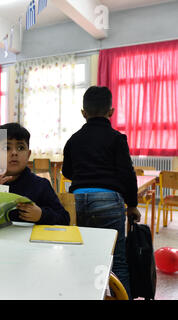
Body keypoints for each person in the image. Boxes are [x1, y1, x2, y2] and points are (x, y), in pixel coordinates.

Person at [62, 86, 141, 299]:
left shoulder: (73, 139)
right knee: (117, 259)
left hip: (77, 201)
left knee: (85, 256)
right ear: (111, 111)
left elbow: (66, 171)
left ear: (83, 113)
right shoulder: (117, 138)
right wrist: (132, 204)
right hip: (108, 200)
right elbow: (127, 174)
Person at [0, 123, 70, 225]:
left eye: (20, 147)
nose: (14, 152)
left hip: (27, 246)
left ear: (28, 154)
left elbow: (64, 218)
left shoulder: (40, 185)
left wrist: (41, 215)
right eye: (6, 148)